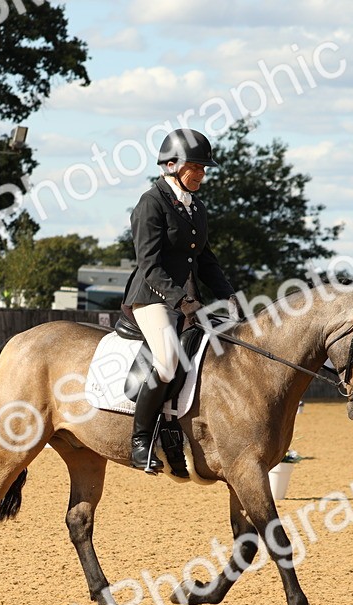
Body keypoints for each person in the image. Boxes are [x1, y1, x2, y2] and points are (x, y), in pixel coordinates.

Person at [120, 128, 241, 472]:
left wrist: (228, 295)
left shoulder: (195, 207)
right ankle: (141, 440)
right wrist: (182, 300)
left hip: (186, 300)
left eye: (204, 169)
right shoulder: (151, 202)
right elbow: (150, 264)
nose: (202, 174)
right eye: (197, 168)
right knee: (168, 359)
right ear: (171, 165)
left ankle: (178, 427)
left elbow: (206, 260)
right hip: (151, 297)